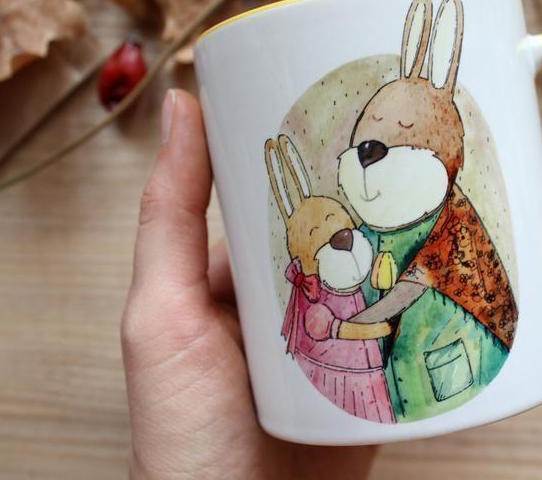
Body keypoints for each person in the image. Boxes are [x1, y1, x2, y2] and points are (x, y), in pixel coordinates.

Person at [122, 89, 376, 479]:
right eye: (324, 237)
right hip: (338, 375)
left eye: (342, 228)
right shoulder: (313, 301)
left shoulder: (348, 275)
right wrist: (373, 328)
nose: (344, 238)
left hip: (365, 376)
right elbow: (332, 329)